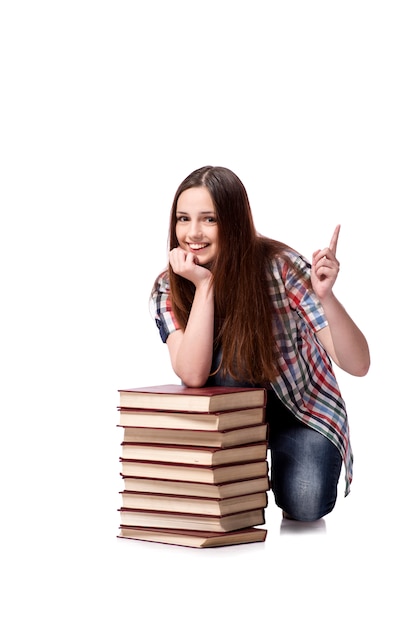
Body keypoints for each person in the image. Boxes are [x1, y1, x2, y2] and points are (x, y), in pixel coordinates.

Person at [150, 165, 370, 522]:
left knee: (306, 502)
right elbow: (192, 375)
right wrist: (204, 287)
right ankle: (250, 474)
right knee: (229, 361)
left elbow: (358, 364)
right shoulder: (169, 286)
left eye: (209, 219)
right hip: (229, 415)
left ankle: (279, 467)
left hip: (298, 411)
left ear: (234, 221)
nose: (192, 233)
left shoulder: (280, 267)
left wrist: (327, 298)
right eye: (183, 219)